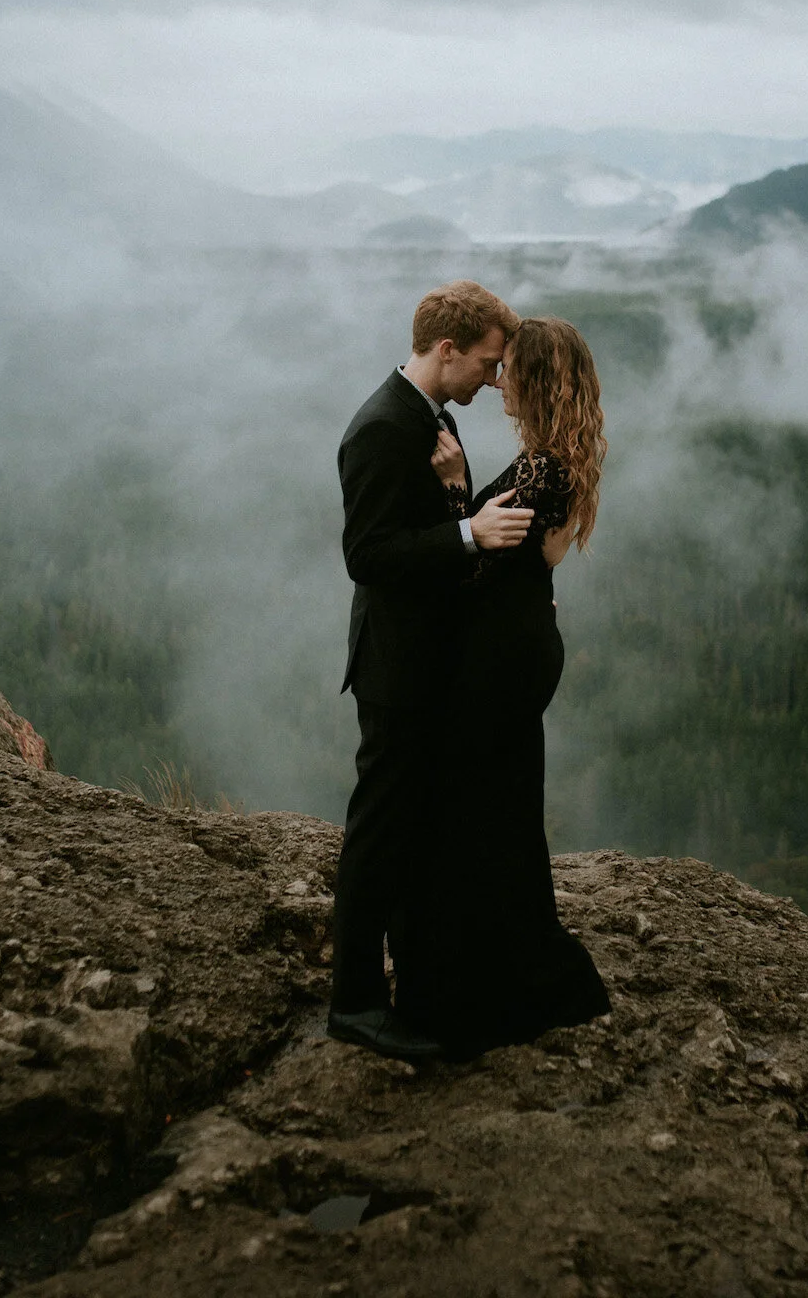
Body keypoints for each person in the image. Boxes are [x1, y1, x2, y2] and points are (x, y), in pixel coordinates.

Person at [394, 316, 611, 1058]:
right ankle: (521, 981)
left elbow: (476, 569)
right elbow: (524, 563)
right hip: (518, 647)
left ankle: (483, 996)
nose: (497, 379)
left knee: (473, 812)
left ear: (539, 379)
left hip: (501, 657)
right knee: (501, 807)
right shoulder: (553, 461)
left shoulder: (542, 469)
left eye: (508, 368)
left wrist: (456, 488)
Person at [329, 280, 531, 1063]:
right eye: (487, 364)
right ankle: (353, 1003)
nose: (495, 380)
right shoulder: (382, 428)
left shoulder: (430, 420)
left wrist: (457, 510)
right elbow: (368, 556)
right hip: (395, 670)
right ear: (446, 350)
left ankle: (414, 986)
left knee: (414, 830)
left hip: (426, 663)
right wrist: (471, 536)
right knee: (378, 834)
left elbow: (427, 532)